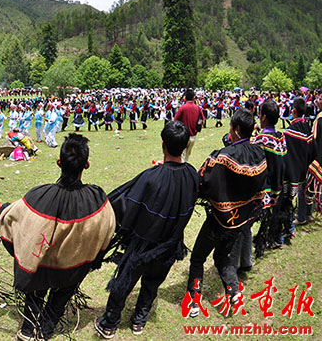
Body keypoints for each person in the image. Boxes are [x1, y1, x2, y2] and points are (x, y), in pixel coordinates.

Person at [0, 133, 116, 340]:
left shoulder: (38, 196)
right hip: (73, 268)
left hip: (41, 266)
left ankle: (29, 330)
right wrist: (94, 257)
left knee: (35, 293)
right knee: (60, 298)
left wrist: (0, 208)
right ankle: (46, 331)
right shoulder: (97, 199)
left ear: (59, 162)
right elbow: (108, 228)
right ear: (86, 165)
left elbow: (14, 217)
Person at [95, 121, 198, 338]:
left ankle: (109, 323)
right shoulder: (192, 174)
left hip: (143, 244)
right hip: (170, 243)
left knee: (124, 281)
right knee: (152, 283)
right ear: (185, 145)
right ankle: (139, 321)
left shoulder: (151, 176)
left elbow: (126, 204)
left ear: (163, 143)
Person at [186, 109, 267, 316]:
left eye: (231, 127)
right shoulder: (259, 153)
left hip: (219, 220)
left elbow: (201, 180)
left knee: (197, 258)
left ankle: (194, 301)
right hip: (241, 221)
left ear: (237, 129)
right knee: (222, 257)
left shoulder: (223, 157)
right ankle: (234, 290)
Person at [250, 99, 287, 257]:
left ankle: (259, 243)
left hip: (265, 186)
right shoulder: (280, 137)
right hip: (279, 184)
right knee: (272, 215)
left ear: (263, 117)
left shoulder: (261, 140)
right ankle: (273, 238)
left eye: (259, 114)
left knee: (259, 215)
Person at [283, 97, 316, 232]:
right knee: (305, 190)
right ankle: (306, 213)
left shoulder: (289, 132)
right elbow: (313, 149)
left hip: (294, 169)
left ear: (294, 111)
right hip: (306, 166)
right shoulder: (308, 128)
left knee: (298, 193)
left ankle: (301, 216)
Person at [174, 89, 204, 163]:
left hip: (183, 135)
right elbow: (203, 120)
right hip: (193, 136)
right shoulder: (198, 108)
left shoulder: (182, 107)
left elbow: (175, 120)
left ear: (185, 97)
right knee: (187, 156)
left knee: (182, 156)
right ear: (194, 98)